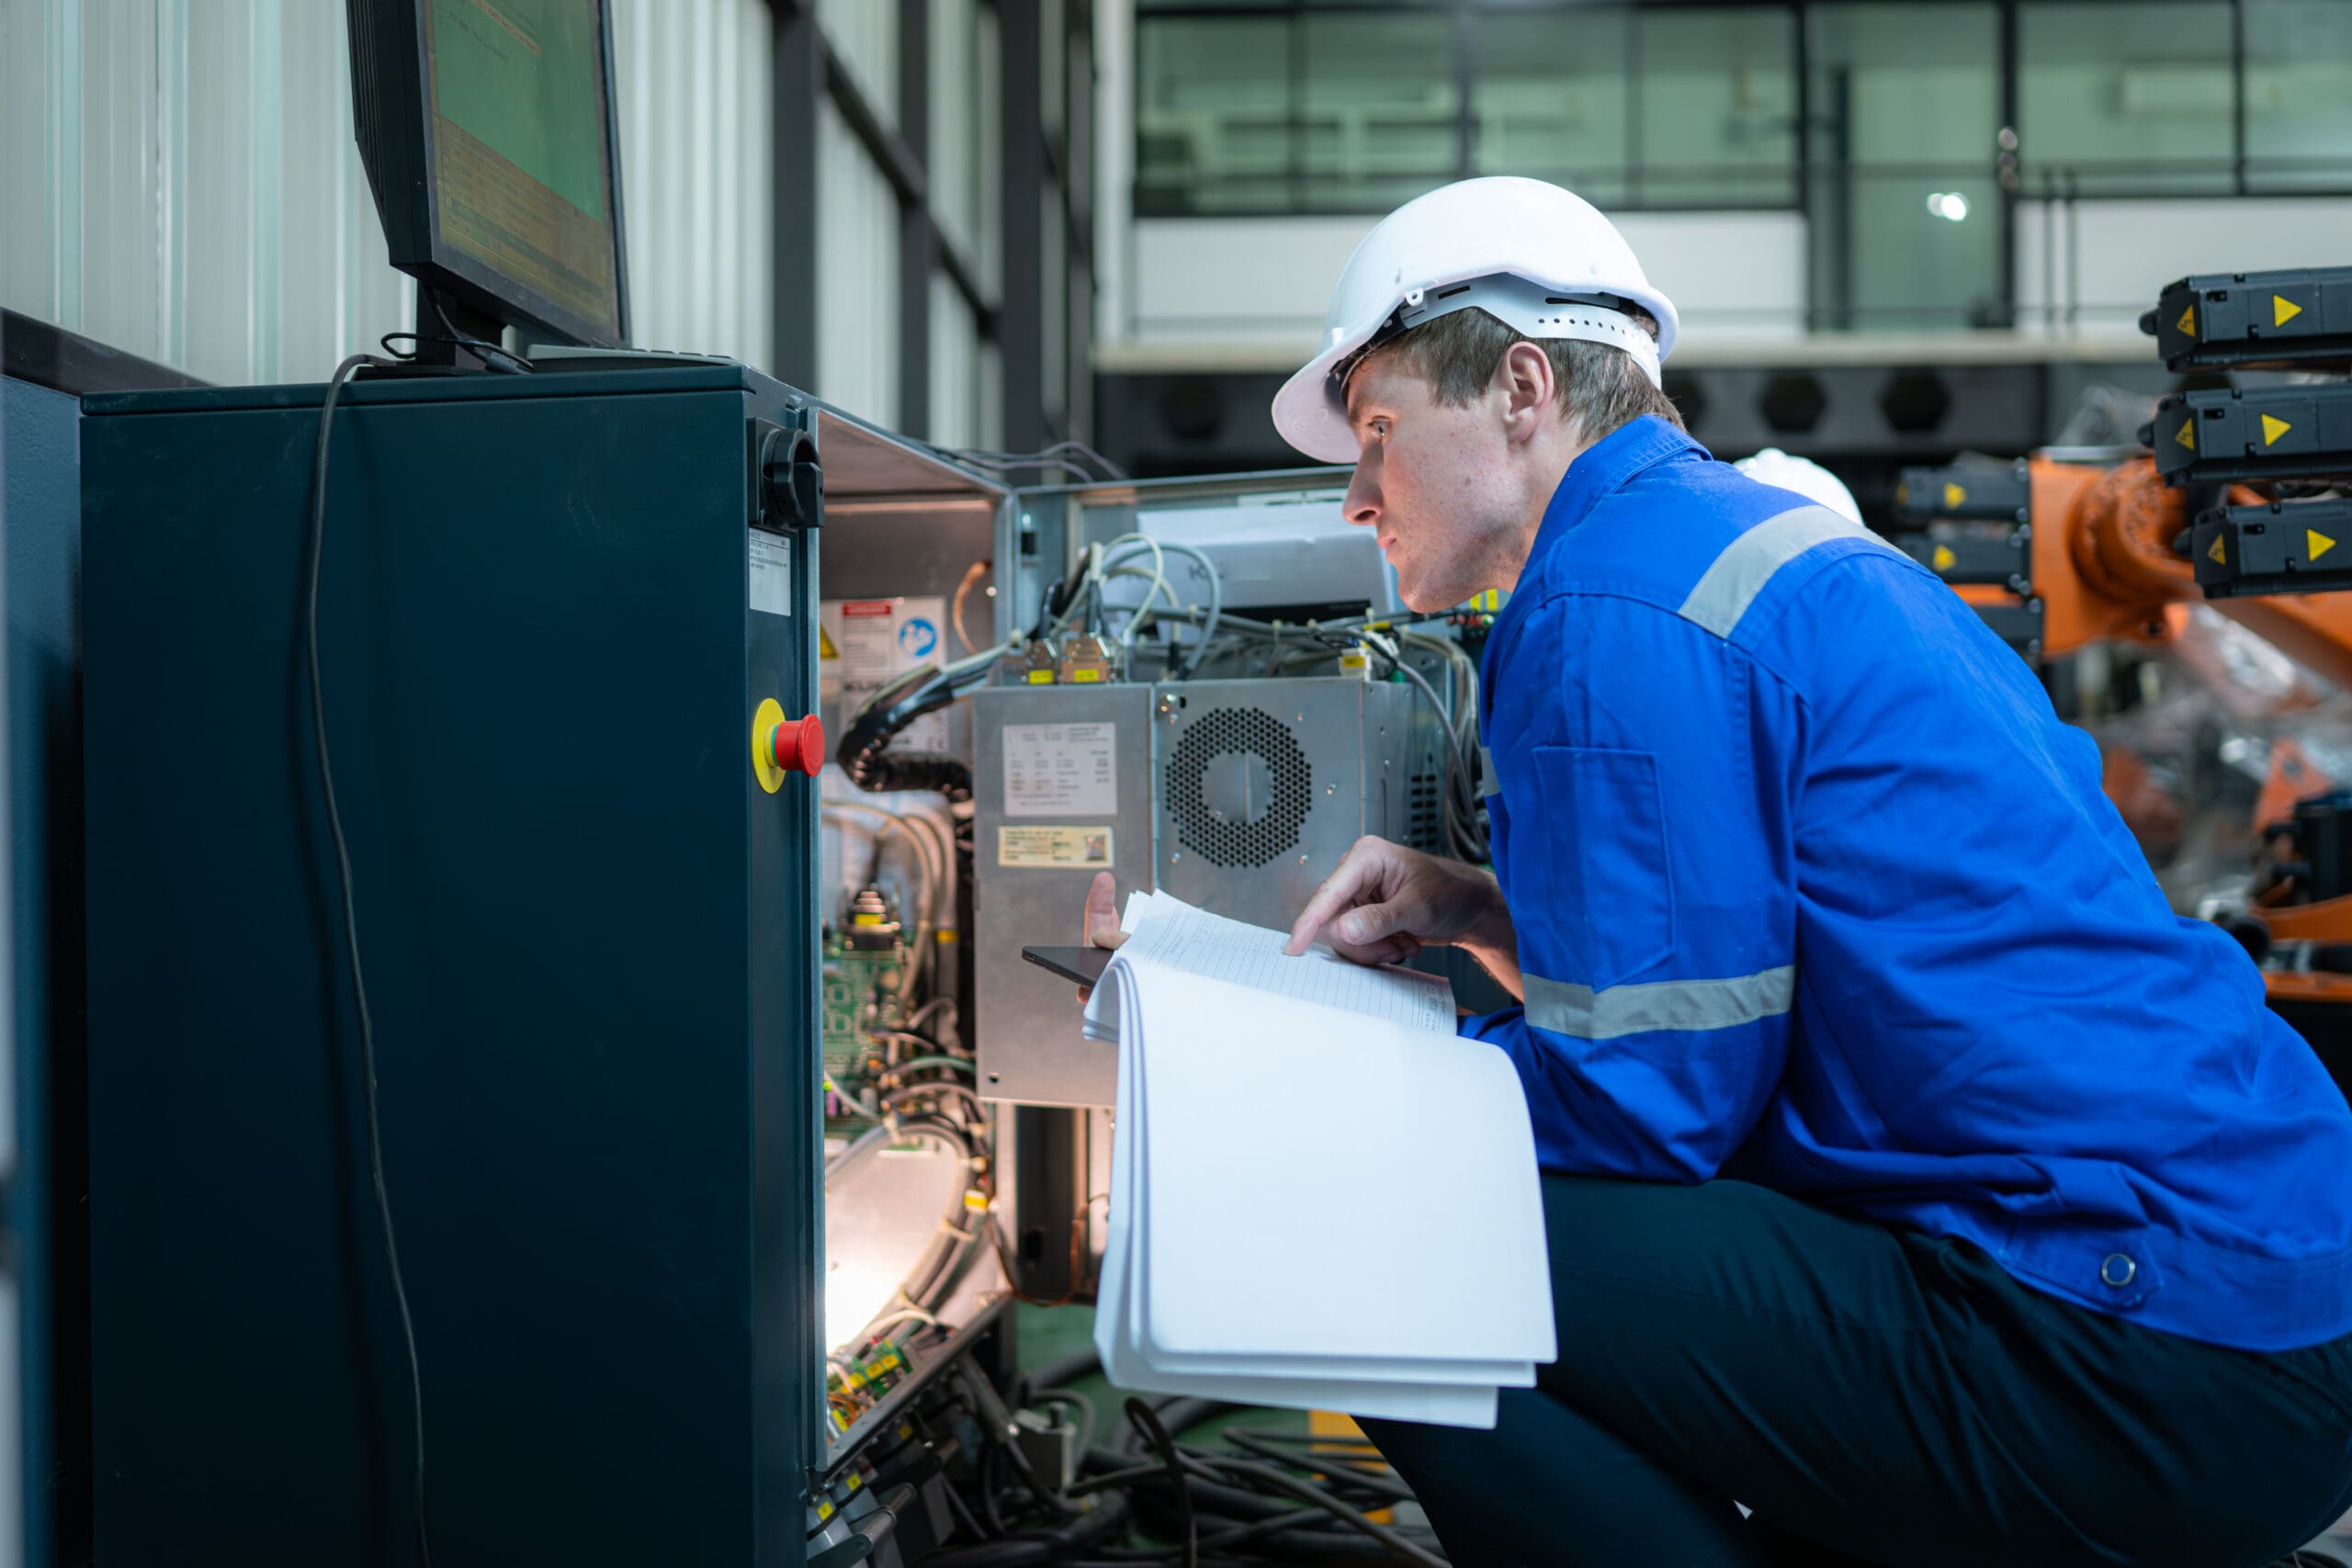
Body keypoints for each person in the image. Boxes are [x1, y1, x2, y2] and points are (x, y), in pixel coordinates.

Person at [1079, 176, 2352, 1567]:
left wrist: (1271, 1069)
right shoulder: (1740, 549)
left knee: (1356, 1233)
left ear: (1519, 389)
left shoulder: (1608, 605)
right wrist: (1486, 909)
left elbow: (1649, 1114)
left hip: (2132, 1342)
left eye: (1378, 431)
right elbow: (1773, 954)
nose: (1356, 494)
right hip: (2259, 1296)